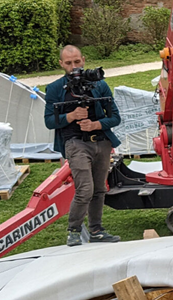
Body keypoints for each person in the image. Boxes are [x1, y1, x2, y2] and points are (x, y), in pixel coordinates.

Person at [44, 45, 123, 247]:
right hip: (75, 144)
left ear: (84, 60)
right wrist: (71, 116)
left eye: (77, 62)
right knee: (85, 189)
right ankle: (74, 230)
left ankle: (96, 230)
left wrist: (96, 124)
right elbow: (49, 122)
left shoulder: (100, 85)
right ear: (61, 64)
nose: (74, 67)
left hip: (101, 143)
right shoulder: (54, 89)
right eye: (69, 63)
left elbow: (115, 117)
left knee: (99, 189)